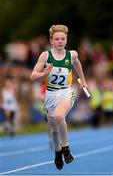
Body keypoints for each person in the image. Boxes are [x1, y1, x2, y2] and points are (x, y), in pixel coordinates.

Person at [30, 24, 88, 170]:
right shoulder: (46, 56)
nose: (60, 41)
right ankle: (57, 152)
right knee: (54, 130)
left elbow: (77, 63)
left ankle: (66, 149)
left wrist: (83, 80)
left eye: (63, 38)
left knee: (59, 115)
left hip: (66, 92)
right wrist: (44, 73)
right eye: (57, 39)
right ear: (51, 40)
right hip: (50, 94)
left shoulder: (72, 54)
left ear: (66, 40)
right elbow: (33, 76)